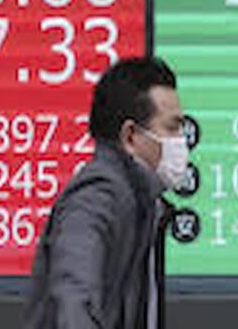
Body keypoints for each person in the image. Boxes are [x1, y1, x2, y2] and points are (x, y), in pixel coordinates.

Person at [23, 57, 188, 329]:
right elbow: (74, 299)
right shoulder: (96, 199)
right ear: (131, 136)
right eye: (172, 128)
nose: (182, 140)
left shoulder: (144, 202)